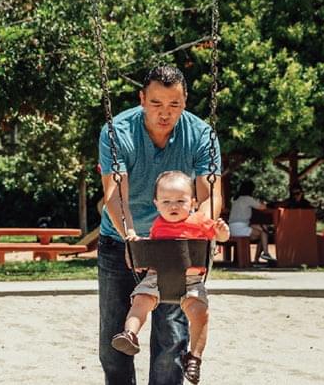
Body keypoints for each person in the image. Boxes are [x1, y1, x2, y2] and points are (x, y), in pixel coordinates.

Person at [98, 65, 222, 385]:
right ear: (142, 99)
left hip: (176, 244)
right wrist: (130, 238)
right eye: (156, 104)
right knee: (115, 341)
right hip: (120, 240)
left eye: (174, 105)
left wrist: (201, 234)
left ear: (185, 101)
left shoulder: (200, 134)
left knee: (171, 340)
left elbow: (209, 195)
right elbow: (114, 194)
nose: (165, 114)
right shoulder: (117, 131)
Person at [111, 171, 229, 385]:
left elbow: (220, 237)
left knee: (200, 312)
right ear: (156, 203)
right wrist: (138, 244)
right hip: (157, 277)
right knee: (140, 302)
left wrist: (221, 232)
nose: (173, 206)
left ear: (193, 202)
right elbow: (150, 253)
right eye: (166, 201)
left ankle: (194, 357)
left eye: (180, 201)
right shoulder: (157, 225)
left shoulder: (200, 221)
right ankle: (130, 334)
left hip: (191, 282)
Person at [228, 179, 275, 262]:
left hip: (232, 227)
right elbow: (262, 207)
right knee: (263, 232)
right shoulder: (248, 199)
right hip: (241, 228)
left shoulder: (235, 199)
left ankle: (260, 257)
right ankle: (265, 254)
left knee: (263, 231)